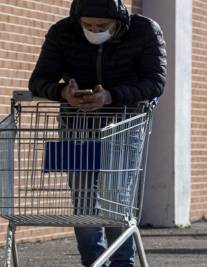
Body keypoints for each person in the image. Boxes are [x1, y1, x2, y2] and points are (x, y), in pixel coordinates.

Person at [28, 0, 167, 266]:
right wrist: (63, 93)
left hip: (124, 125)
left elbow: (155, 82)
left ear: (119, 21)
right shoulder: (62, 31)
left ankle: (121, 263)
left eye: (103, 26)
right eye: (88, 25)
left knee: (115, 197)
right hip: (76, 126)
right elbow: (38, 80)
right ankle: (92, 262)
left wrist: (111, 96)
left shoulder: (145, 31)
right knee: (82, 200)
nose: (95, 30)